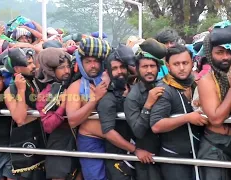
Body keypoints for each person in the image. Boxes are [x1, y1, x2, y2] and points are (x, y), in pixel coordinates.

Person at [150, 44, 206, 180]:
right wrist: (187, 118)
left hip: (197, 153)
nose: (181, 68)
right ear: (168, 66)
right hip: (174, 158)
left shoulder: (195, 83)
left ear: (192, 63)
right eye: (176, 64)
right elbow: (156, 125)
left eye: (185, 63)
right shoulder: (164, 90)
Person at [97, 48, 154, 180]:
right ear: (109, 72)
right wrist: (135, 150)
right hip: (119, 157)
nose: (119, 71)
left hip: (139, 154)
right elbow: (109, 133)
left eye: (122, 67)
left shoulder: (135, 90)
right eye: (115, 68)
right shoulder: (107, 99)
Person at [197, 34, 231, 180]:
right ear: (210, 56)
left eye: (228, 52)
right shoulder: (206, 81)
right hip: (214, 147)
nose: (225, 57)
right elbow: (216, 119)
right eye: (219, 52)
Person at [65, 37, 110, 180]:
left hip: (115, 139)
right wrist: (95, 99)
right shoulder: (75, 87)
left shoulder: (110, 82)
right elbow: (72, 121)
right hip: (90, 142)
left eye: (96, 61)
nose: (93, 65)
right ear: (80, 63)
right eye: (88, 61)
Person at [35, 48, 79, 180]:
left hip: (78, 139)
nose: (66, 71)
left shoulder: (76, 85)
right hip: (58, 141)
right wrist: (63, 106)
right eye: (61, 67)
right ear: (50, 70)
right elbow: (48, 126)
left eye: (67, 66)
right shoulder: (45, 94)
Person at [4, 48, 46, 180]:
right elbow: (20, 119)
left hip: (42, 135)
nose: (33, 66)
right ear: (17, 69)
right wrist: (21, 90)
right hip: (26, 140)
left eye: (32, 62)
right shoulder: (9, 91)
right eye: (28, 64)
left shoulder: (35, 80)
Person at [124, 51, 164, 180]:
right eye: (144, 67)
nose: (149, 70)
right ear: (137, 69)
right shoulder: (133, 97)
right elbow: (138, 131)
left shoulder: (163, 87)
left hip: (166, 151)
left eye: (152, 66)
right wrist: (148, 105)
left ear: (158, 68)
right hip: (147, 156)